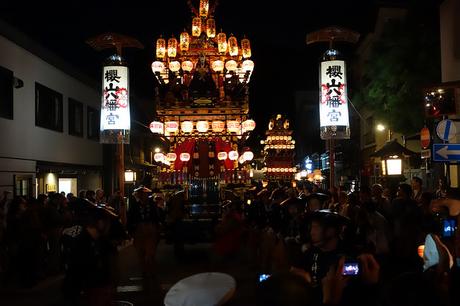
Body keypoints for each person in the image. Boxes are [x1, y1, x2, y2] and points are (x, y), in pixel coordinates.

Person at [62, 208, 114, 306]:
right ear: (100, 223)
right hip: (89, 290)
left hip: (96, 287)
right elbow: (77, 271)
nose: (109, 226)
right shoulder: (82, 243)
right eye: (108, 222)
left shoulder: (100, 241)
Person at [127, 186, 160, 290]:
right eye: (142, 194)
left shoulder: (152, 205)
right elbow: (130, 218)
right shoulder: (134, 206)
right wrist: (131, 231)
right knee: (141, 252)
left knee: (149, 253)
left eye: (144, 194)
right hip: (139, 230)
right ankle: (145, 271)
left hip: (150, 229)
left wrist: (157, 228)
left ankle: (150, 271)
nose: (143, 196)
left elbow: (156, 217)